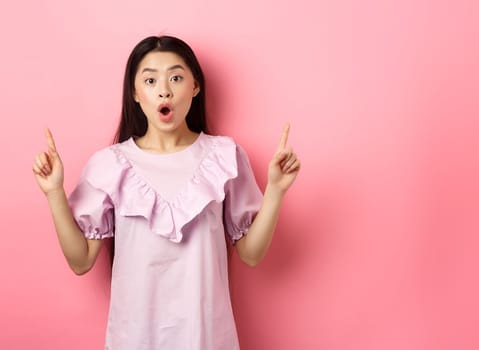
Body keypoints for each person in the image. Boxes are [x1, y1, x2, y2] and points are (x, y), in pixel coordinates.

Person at [31, 35, 300, 349]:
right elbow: (80, 262)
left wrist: (277, 189)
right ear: (135, 92)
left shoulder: (224, 157)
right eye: (149, 80)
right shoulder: (109, 165)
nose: (164, 90)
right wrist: (53, 192)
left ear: (195, 87)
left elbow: (251, 255)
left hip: (206, 337)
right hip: (134, 338)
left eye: (176, 77)